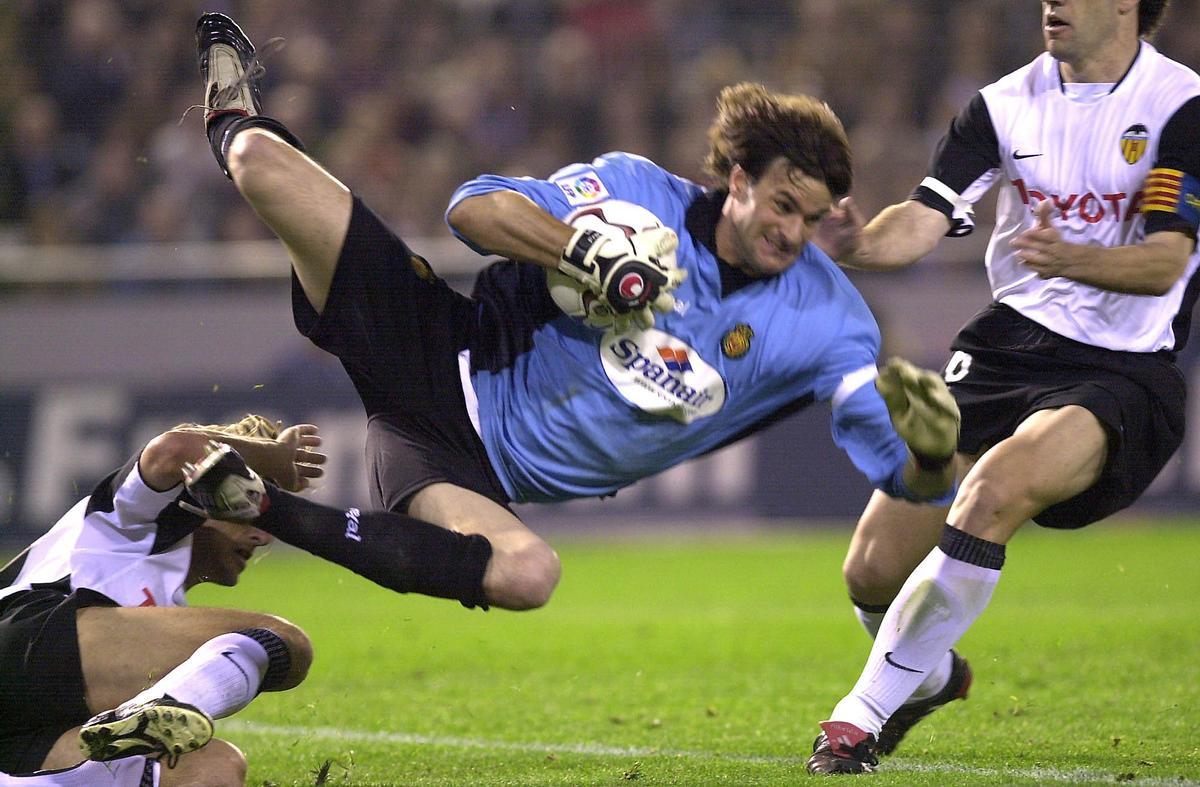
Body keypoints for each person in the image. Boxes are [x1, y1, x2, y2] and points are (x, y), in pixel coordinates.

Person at [192, 13, 961, 618]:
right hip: (440, 343)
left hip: (468, 464)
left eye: (813, 217)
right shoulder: (637, 190)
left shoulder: (830, 322)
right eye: (783, 203)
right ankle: (230, 110)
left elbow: (901, 473)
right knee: (260, 162)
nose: (792, 231)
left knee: (530, 574)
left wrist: (932, 457)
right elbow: (473, 209)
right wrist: (581, 253)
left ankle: (261, 507)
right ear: (738, 180)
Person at [806, 0, 1199, 774]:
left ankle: (860, 716)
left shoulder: (1180, 106)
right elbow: (924, 217)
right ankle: (930, 676)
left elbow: (1166, 259)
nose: (1051, 2)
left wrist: (1071, 259)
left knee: (990, 491)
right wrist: (856, 241)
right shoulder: (1002, 105)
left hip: (1121, 367)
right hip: (1005, 352)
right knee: (871, 572)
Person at [0, 415, 323, 786]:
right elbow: (175, 448)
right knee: (282, 641)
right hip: (20, 638)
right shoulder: (146, 515)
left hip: (24, 729)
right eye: (252, 502)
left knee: (213, 771)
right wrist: (274, 456)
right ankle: (160, 702)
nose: (263, 537)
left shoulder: (167, 615)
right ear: (208, 490)